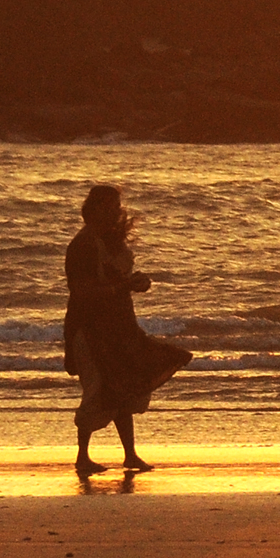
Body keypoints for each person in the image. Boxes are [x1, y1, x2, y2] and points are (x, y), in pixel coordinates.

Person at [62, 184, 190, 476]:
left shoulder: (110, 243)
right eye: (109, 206)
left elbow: (118, 281)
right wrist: (124, 286)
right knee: (97, 389)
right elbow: (82, 292)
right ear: (93, 210)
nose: (116, 211)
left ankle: (130, 454)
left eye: (117, 205)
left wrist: (137, 282)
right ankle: (82, 457)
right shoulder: (82, 245)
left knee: (123, 386)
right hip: (91, 328)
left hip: (120, 326)